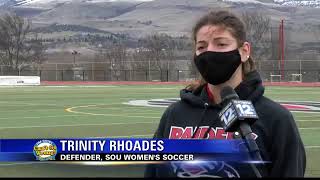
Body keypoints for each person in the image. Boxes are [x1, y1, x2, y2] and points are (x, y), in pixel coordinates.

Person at [144, 10, 306, 178]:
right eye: (202, 46)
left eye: (221, 44)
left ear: (244, 51)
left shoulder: (276, 118)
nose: (209, 52)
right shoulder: (175, 114)